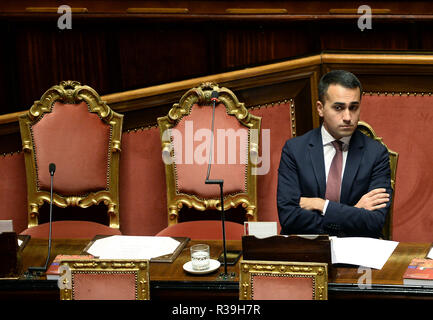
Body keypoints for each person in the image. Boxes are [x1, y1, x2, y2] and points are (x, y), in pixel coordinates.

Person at [277, 70, 391, 238]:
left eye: (354, 107)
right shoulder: (294, 150)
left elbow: (374, 222)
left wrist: (323, 206)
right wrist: (354, 212)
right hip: (307, 249)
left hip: (356, 250)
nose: (347, 117)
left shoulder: (376, 153)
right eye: (338, 108)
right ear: (320, 108)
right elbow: (289, 218)